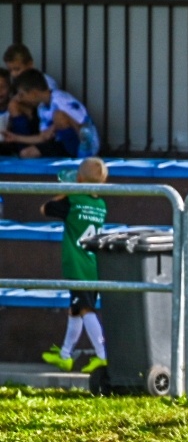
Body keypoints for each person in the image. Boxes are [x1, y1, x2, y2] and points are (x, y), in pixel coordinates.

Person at [39, 159, 108, 375]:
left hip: (76, 265)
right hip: (91, 264)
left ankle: (103, 356)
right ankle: (65, 355)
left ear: (78, 179)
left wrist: (65, 192)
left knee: (86, 309)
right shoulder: (101, 204)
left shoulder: (73, 201)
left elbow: (44, 209)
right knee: (75, 310)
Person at [1, 69, 98, 158]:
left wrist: (55, 126)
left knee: (58, 116)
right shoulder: (42, 107)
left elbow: (83, 125)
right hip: (61, 144)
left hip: (83, 144)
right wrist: (15, 138)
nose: (20, 99)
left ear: (34, 93)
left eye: (22, 95)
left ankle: (83, 154)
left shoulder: (60, 100)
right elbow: (44, 137)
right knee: (26, 153)